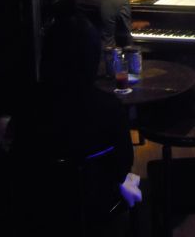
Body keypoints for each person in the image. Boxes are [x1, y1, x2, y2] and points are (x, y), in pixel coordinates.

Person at [10, 15, 141, 234]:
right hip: (97, 203)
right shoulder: (110, 107)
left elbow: (19, 160)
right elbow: (123, 164)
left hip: (39, 207)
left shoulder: (28, 105)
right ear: (93, 58)